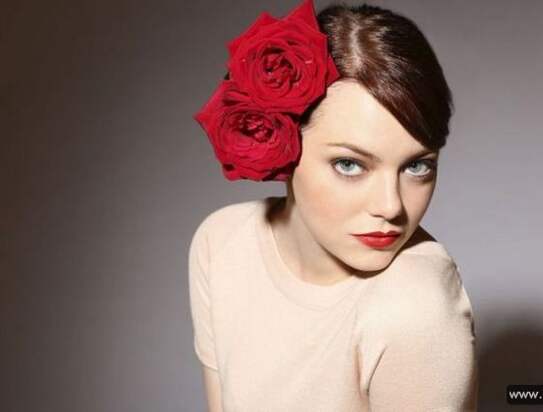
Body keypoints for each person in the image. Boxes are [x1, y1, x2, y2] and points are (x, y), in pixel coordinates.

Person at [188, 1, 478, 411]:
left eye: (417, 166)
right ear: (282, 144)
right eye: (350, 164)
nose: (391, 207)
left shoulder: (415, 306)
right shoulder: (222, 244)